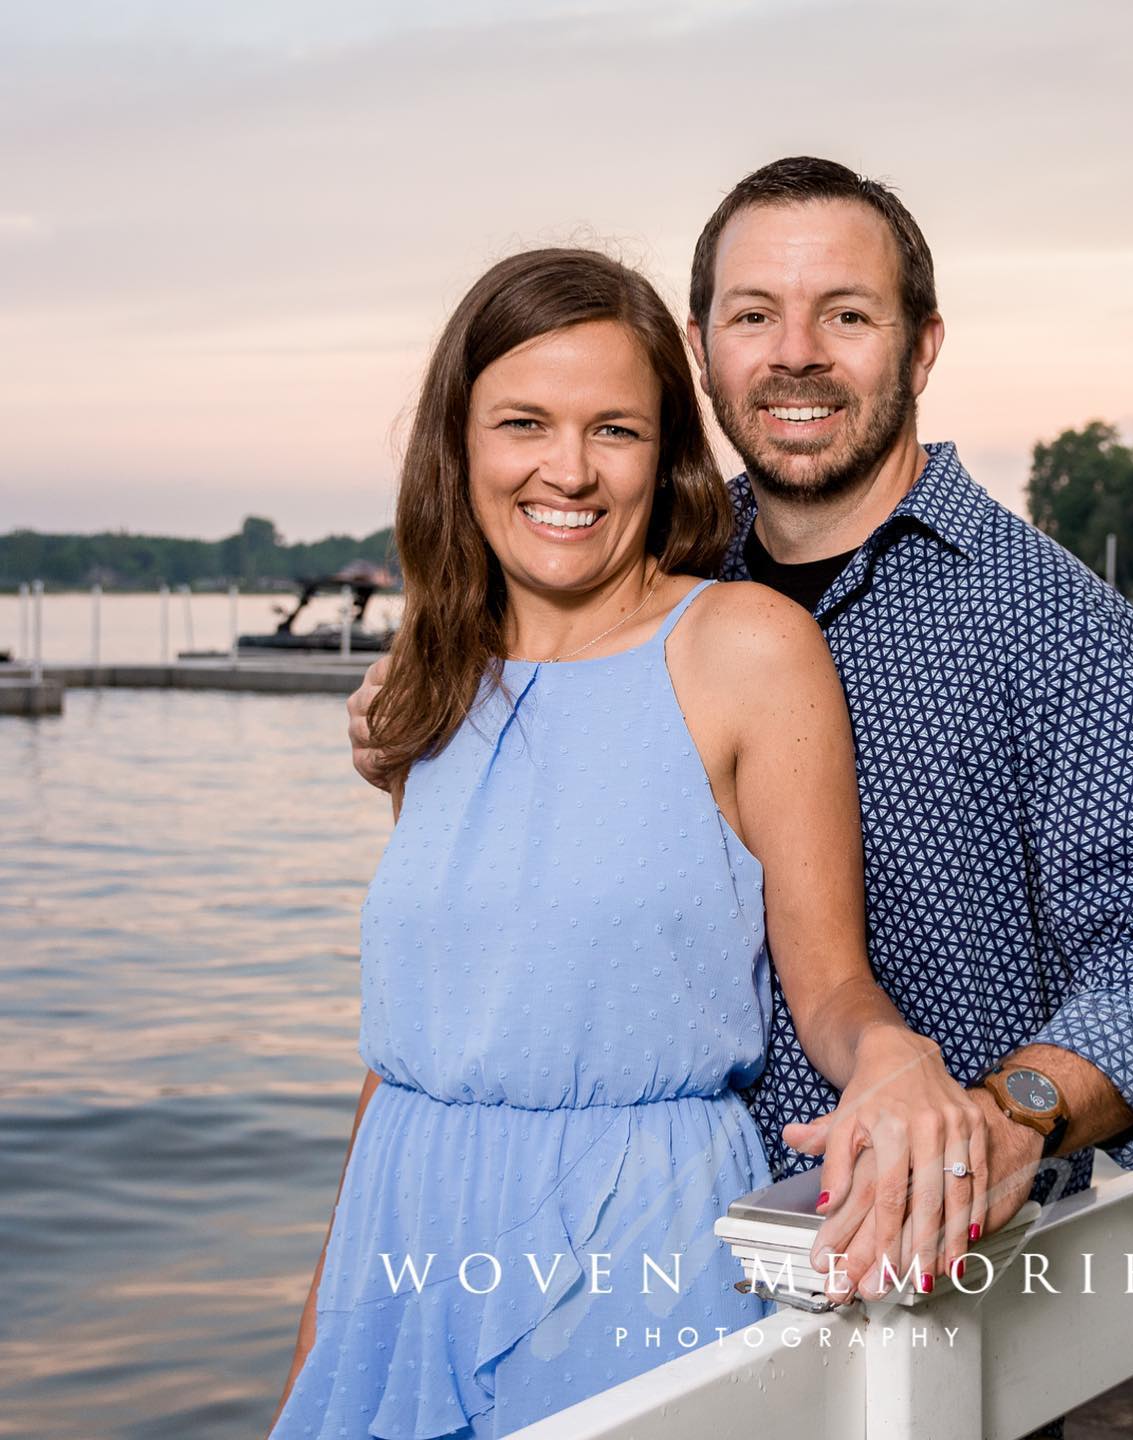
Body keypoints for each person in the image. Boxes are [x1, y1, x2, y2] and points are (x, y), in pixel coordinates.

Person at [271, 247, 995, 1440]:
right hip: (401, 1233)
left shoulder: (747, 649)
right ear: (458, 444)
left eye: (614, 429)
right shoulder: (429, 679)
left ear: (666, 455)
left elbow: (828, 980)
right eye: (523, 423)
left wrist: (895, 1060)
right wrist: (321, 1330)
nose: (567, 469)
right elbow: (419, 1040)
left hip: (634, 1236)